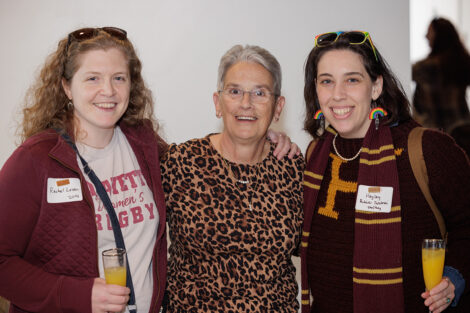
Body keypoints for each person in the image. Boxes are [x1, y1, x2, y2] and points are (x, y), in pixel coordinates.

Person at [0, 27, 167, 313]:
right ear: (66, 86)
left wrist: (265, 141)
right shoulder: (35, 159)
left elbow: (199, 165)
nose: (109, 91)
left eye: (119, 78)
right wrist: (75, 295)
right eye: (93, 78)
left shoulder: (144, 143)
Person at [300, 31, 470, 313]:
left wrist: (454, 279)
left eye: (352, 80)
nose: (337, 94)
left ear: (376, 86)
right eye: (326, 81)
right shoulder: (315, 155)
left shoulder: (428, 150)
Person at [161, 44, 304, 312]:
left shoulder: (293, 168)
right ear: (218, 102)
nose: (246, 103)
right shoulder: (181, 163)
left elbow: (318, 251)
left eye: (260, 93)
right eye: (235, 91)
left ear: (277, 106)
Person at [412, 17, 470, 133]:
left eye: (429, 32)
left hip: (436, 132)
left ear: (439, 35)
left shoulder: (423, 68)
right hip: (462, 129)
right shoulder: (463, 63)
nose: (426, 36)